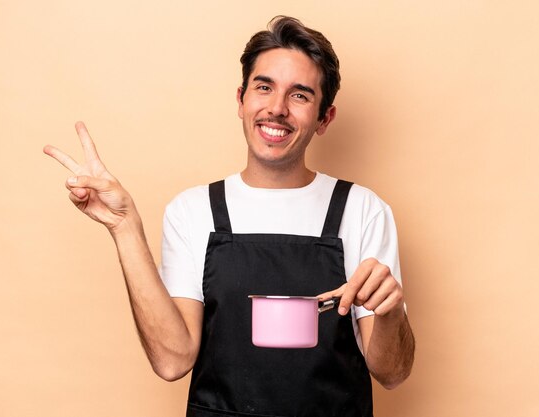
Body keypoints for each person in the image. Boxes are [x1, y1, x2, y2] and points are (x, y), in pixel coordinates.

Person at [44, 15, 414, 417]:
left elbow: (392, 372)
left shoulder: (362, 210)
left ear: (325, 118)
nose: (276, 109)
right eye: (264, 87)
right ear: (240, 99)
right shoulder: (193, 211)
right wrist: (124, 225)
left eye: (300, 95)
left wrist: (391, 310)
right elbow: (172, 360)